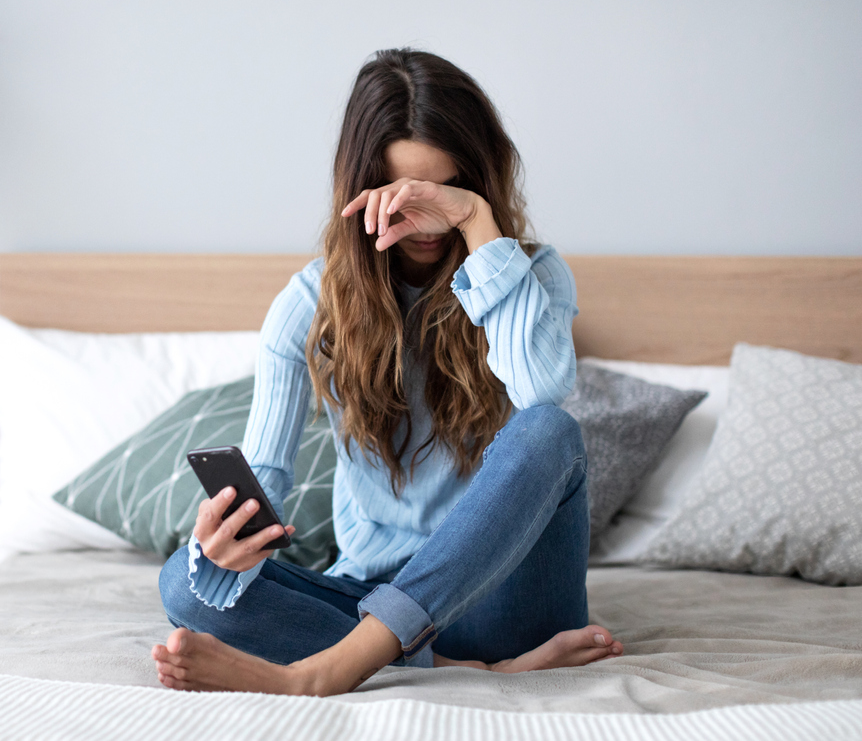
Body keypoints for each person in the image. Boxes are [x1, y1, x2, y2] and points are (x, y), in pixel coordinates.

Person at [152, 49, 622, 696]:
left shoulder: (533, 275)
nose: (422, 218)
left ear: (476, 177)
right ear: (361, 186)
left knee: (547, 430)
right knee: (185, 579)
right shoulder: (310, 303)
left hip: (506, 603)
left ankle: (327, 672)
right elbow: (269, 474)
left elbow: (538, 391)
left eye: (445, 189)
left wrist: (477, 225)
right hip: (366, 599)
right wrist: (225, 545)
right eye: (400, 192)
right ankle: (458, 672)